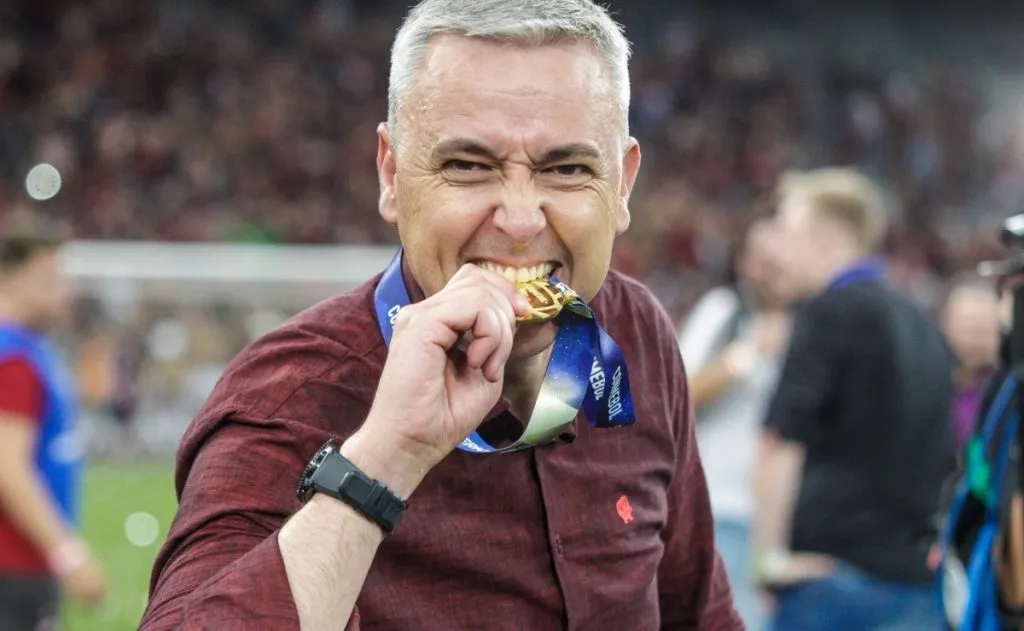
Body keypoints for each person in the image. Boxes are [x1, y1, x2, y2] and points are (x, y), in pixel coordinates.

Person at [139, 1, 741, 629]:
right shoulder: (289, 395)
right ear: (392, 173)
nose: (519, 220)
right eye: (467, 166)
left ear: (621, 185)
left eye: (566, 169)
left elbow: (697, 610)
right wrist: (385, 458)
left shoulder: (635, 335)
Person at [753, 167, 956, 631]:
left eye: (786, 231)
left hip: (833, 584)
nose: (774, 248)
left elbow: (779, 441)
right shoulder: (923, 321)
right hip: (916, 585)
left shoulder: (827, 311)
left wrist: (767, 560)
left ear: (824, 242)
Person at [679, 217, 790, 631]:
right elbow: (680, 393)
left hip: (781, 519)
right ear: (743, 263)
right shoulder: (724, 311)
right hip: (720, 506)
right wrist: (748, 355)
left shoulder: (815, 325)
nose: (769, 268)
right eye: (760, 258)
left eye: (777, 258)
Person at [0, 222, 107, 630]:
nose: (64, 292)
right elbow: (8, 467)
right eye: (50, 279)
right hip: (13, 566)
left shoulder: (28, 349)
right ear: (12, 277)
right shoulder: (12, 360)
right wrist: (69, 554)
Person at [936, 273, 1002, 452]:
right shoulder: (926, 387)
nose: (976, 339)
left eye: (985, 328)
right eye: (968, 327)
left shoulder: (1006, 391)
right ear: (943, 324)